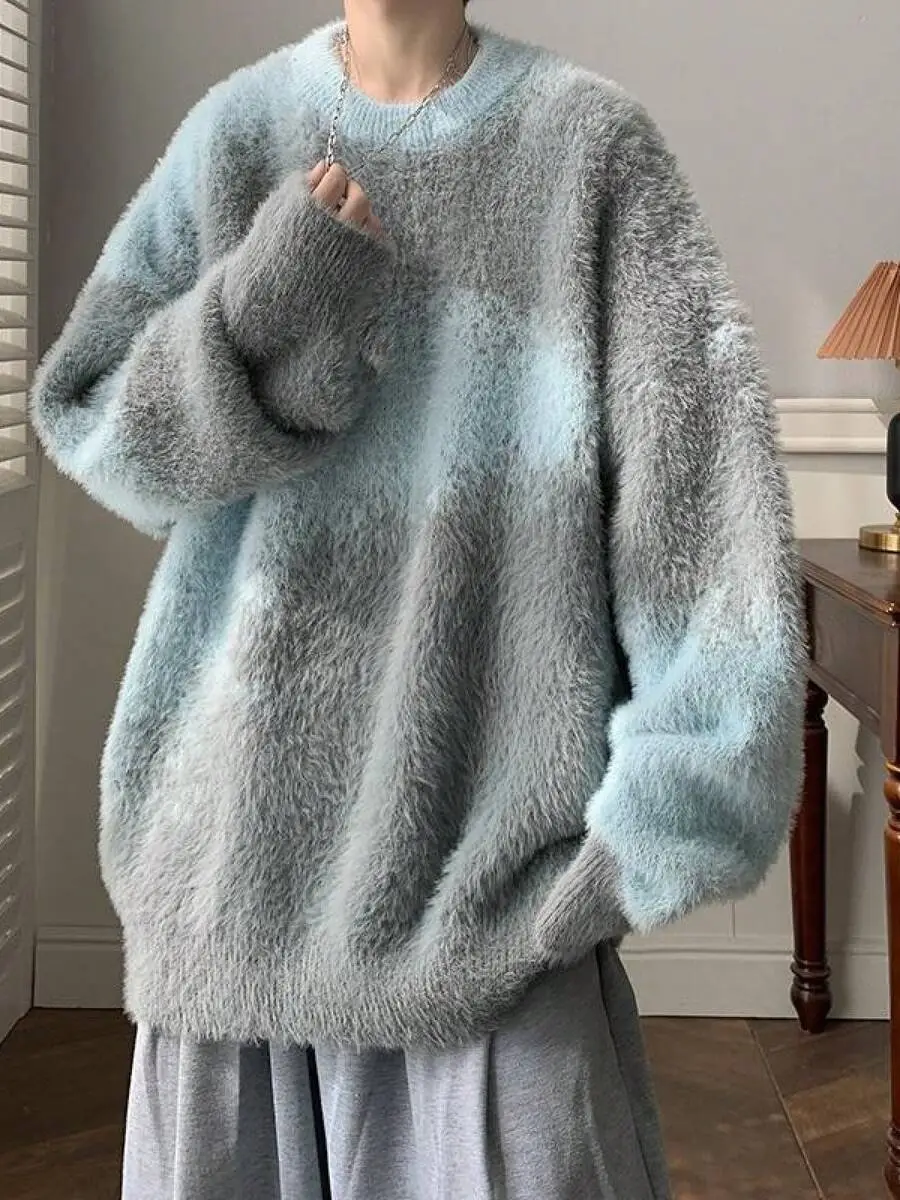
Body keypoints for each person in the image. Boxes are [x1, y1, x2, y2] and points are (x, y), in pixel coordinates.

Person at [31, 0, 806, 1196]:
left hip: (492, 906)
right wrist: (267, 307)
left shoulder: (590, 151)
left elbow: (703, 513)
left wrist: (656, 829)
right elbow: (99, 431)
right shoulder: (239, 133)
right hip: (226, 887)